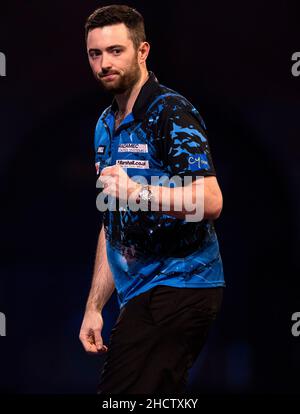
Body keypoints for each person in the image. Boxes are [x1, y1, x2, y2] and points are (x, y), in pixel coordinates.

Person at [79, 4, 225, 394]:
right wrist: (95, 306)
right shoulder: (105, 126)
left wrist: (137, 192)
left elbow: (210, 202)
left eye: (115, 51)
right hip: (139, 293)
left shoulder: (170, 112)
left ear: (142, 52)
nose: (104, 63)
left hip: (182, 283)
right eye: (95, 54)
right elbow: (113, 223)